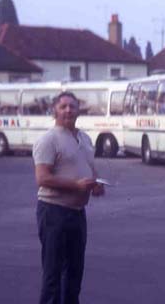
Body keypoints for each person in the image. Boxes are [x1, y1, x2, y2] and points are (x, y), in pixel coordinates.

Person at [33, 92, 105, 304]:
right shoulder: (48, 140)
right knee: (53, 275)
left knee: (74, 274)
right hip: (53, 212)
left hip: (77, 213)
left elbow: (90, 170)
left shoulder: (85, 138)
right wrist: (75, 185)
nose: (68, 110)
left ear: (78, 111)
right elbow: (42, 178)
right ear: (54, 111)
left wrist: (96, 185)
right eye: (63, 106)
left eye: (72, 106)